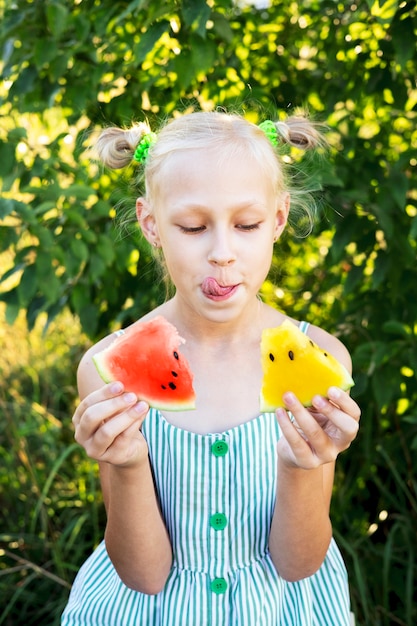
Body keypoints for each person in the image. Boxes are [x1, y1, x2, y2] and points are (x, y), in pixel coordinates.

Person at [61, 110, 360, 626]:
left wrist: (303, 467)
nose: (223, 253)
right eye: (194, 226)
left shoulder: (320, 359)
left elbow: (298, 564)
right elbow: (144, 575)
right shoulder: (108, 369)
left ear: (279, 219)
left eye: (246, 224)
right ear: (152, 225)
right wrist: (128, 464)